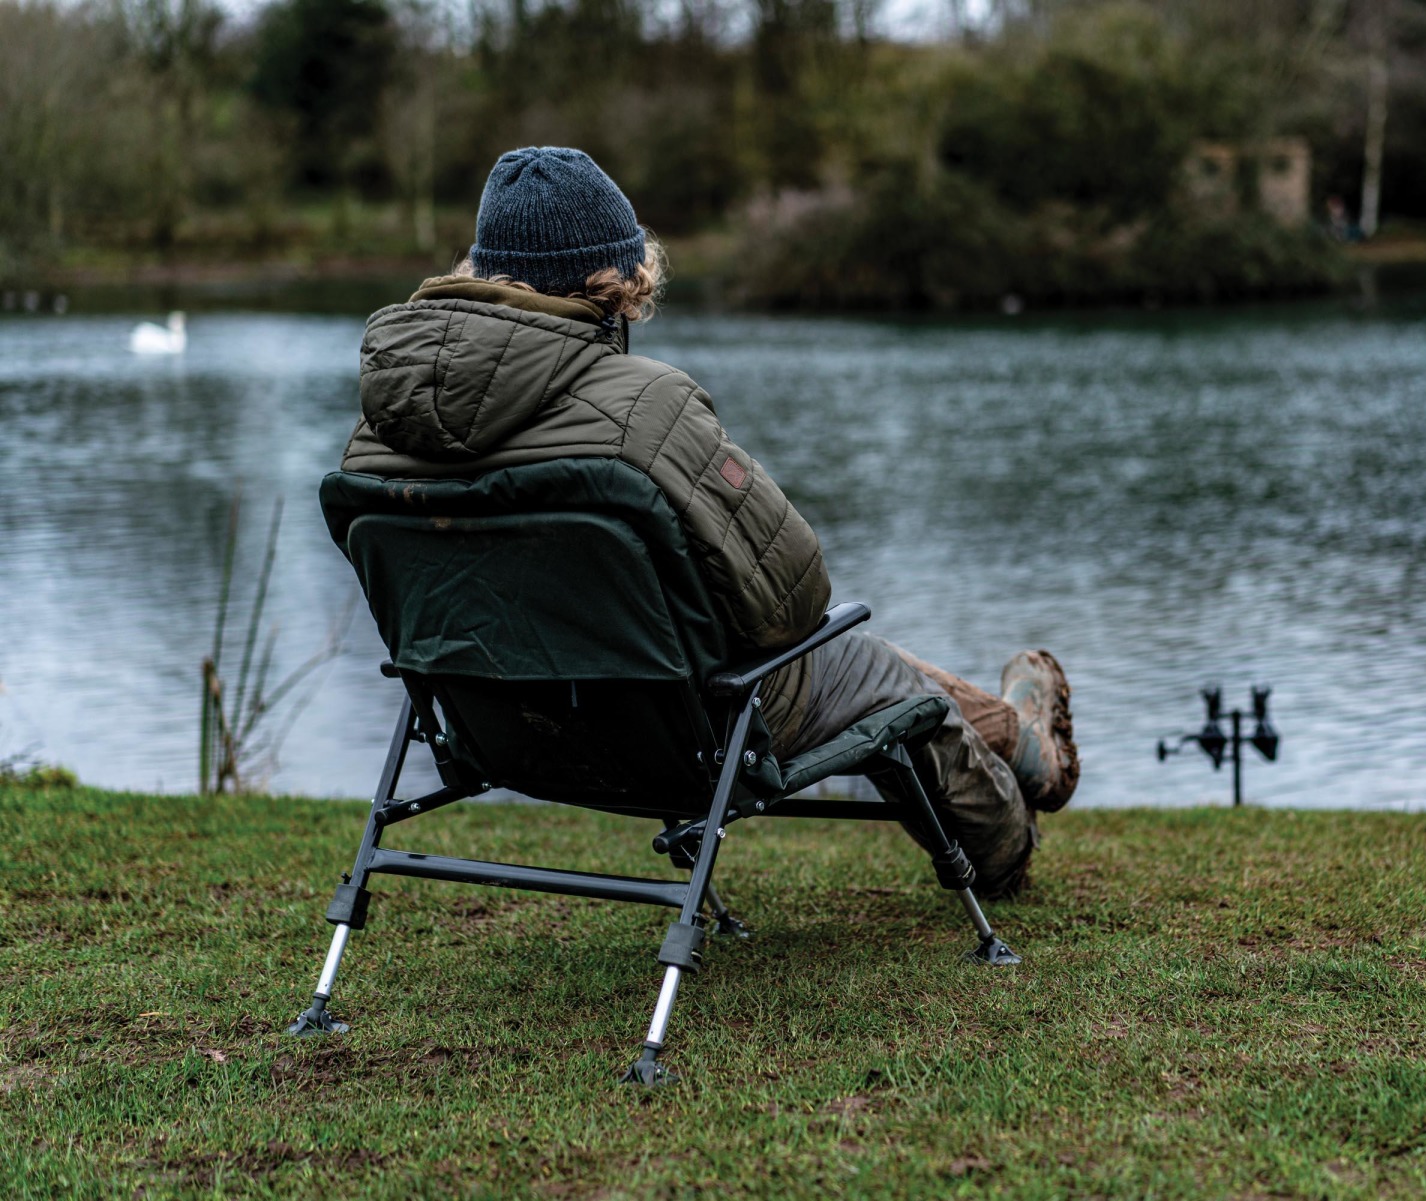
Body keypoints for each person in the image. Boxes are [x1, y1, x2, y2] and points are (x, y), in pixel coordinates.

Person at [337, 146, 1079, 896]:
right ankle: (1004, 848)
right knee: (872, 669)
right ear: (617, 283)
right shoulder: (646, 407)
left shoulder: (374, 434)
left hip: (498, 733)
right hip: (678, 739)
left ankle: (1024, 741)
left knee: (851, 666)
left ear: (480, 270)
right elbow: (794, 601)